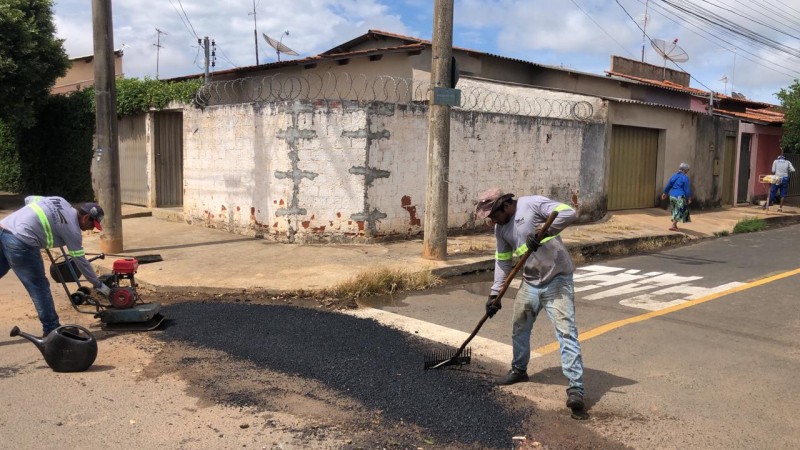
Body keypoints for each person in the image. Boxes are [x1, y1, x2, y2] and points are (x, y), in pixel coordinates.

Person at [475, 188, 588, 420]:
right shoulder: (500, 229)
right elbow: (503, 262)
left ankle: (576, 388)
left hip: (557, 279)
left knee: (566, 333)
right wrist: (494, 294)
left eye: (493, 215)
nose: (492, 221)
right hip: (530, 282)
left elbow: (568, 213)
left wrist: (541, 232)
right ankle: (519, 370)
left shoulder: (533, 204)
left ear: (505, 206)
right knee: (519, 326)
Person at [0, 196, 111, 336]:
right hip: (22, 240)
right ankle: (51, 329)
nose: (91, 229)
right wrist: (98, 284)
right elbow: (80, 261)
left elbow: (29, 199)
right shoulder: (73, 230)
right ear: (86, 218)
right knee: (39, 286)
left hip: (3, 229)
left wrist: (37, 222)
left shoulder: (60, 200)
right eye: (92, 225)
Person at [661, 163, 692, 232]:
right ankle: (673, 225)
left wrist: (665, 193)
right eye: (687, 169)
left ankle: (675, 225)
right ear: (684, 170)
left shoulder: (674, 176)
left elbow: (669, 185)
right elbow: (686, 189)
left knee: (675, 210)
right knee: (681, 211)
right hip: (679, 196)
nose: (688, 171)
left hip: (672, 196)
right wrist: (689, 198)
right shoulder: (685, 178)